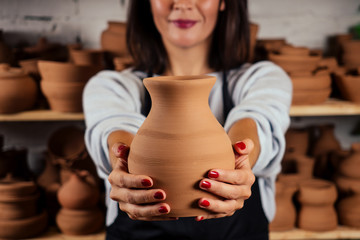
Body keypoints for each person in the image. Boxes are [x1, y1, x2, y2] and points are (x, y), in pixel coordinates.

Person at [83, 0, 292, 239]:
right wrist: (126, 164)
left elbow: (257, 120)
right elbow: (114, 128)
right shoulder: (112, 85)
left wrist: (238, 161)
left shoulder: (262, 77)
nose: (182, 4)